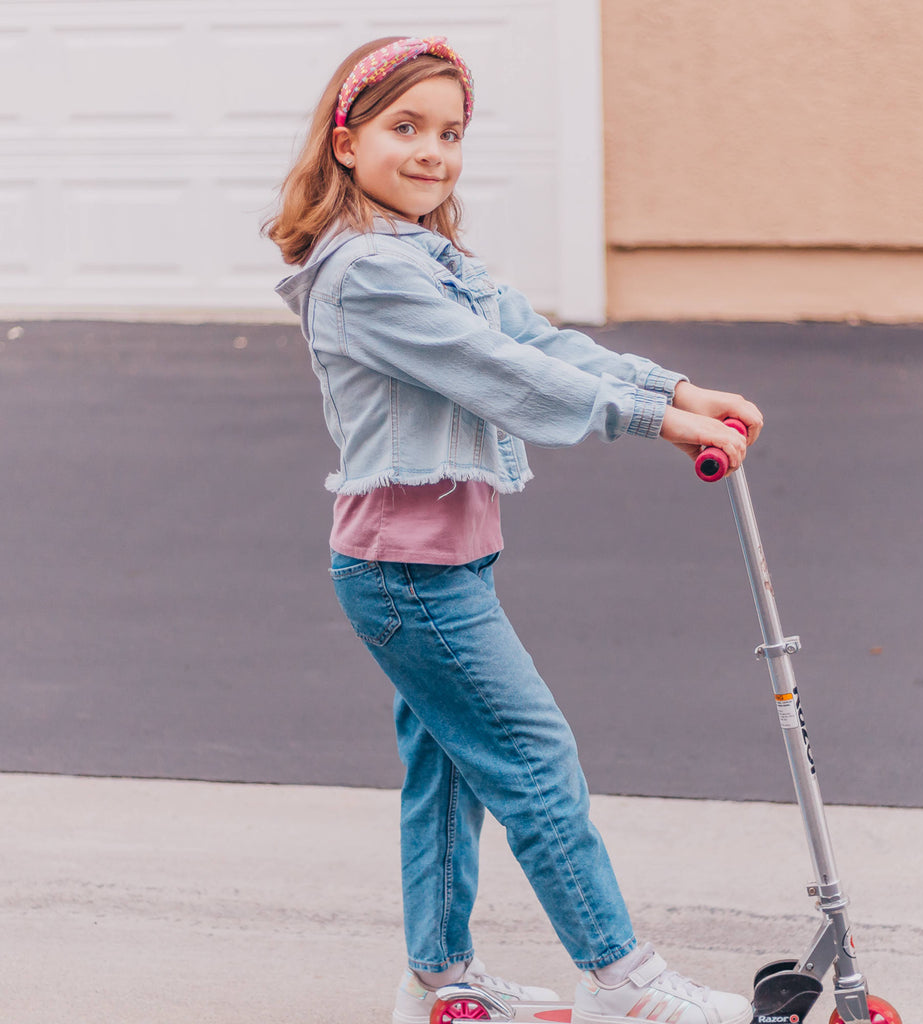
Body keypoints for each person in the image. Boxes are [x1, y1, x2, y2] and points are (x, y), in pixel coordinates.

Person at [265, 34, 763, 1024]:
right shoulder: (368, 273)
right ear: (346, 139)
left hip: (438, 563)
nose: (432, 152)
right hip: (407, 576)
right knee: (533, 757)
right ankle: (620, 973)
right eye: (404, 127)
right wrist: (655, 423)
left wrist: (675, 386)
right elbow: (505, 374)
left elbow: (537, 340)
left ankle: (437, 977)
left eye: (449, 132)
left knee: (450, 770)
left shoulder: (429, 255)